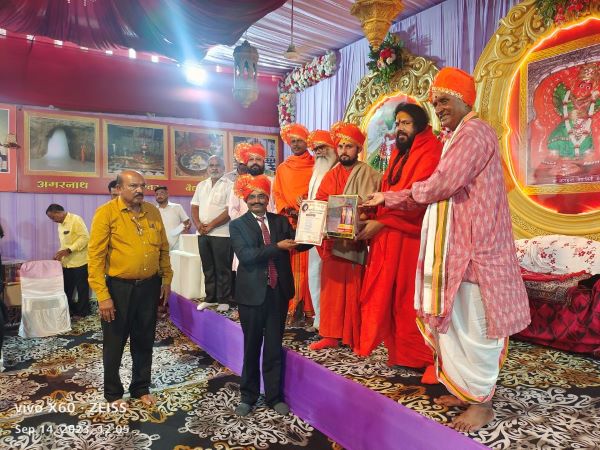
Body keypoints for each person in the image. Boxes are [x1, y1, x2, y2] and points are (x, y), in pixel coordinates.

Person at [363, 67, 530, 432]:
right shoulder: (456, 136)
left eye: (444, 100)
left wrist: (390, 197)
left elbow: (442, 184)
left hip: (476, 251)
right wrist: (389, 197)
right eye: (435, 102)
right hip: (458, 251)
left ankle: (482, 404)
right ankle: (465, 389)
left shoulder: (475, 132)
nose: (438, 108)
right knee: (455, 327)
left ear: (464, 99)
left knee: (476, 329)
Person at [356, 103, 442, 382]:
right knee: (392, 297)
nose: (400, 128)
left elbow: (419, 200)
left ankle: (424, 357)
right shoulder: (398, 152)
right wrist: (370, 212)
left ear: (420, 124)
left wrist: (381, 223)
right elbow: (388, 191)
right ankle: (401, 354)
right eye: (398, 123)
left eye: (406, 123)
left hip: (413, 239)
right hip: (391, 236)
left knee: (410, 299)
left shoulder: (431, 151)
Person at [88, 169, 172, 406]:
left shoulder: (152, 211)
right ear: (118, 188)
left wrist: (166, 279)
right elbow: (95, 258)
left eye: (142, 186)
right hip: (118, 289)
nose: (139, 190)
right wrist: (103, 296)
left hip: (149, 287)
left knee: (144, 339)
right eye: (133, 186)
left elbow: (163, 249)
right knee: (114, 342)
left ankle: (140, 387)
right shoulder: (106, 213)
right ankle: (113, 393)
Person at [229, 174, 310, 417]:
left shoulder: (280, 221)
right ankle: (248, 396)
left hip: (278, 293)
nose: (257, 200)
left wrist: (316, 230)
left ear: (267, 198)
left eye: (261, 196)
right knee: (251, 347)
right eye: (252, 196)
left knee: (274, 347)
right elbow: (247, 256)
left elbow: (298, 243)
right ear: (245, 200)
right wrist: (277, 247)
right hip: (251, 296)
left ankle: (274, 397)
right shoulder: (237, 225)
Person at [309, 122, 381, 351]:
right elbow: (321, 200)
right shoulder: (331, 175)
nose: (344, 151)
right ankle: (330, 334)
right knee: (330, 290)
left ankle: (354, 336)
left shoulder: (369, 174)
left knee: (354, 290)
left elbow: (374, 205)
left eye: (349, 146)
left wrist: (356, 217)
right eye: (340, 146)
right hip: (332, 241)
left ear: (358, 148)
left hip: (354, 241)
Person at [273, 123, 315, 324]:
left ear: (307, 142)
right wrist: (288, 210)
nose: (296, 144)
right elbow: (277, 193)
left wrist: (304, 210)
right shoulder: (283, 168)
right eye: (293, 141)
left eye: (300, 140)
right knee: (289, 266)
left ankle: (307, 308)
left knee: (308, 266)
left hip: (310, 221)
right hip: (287, 221)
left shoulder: (316, 165)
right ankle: (292, 306)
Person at [191, 155, 234, 312]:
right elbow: (194, 207)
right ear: (207, 168)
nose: (214, 168)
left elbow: (229, 211)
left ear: (223, 168)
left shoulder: (230, 186)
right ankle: (210, 298)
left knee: (223, 268)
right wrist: (198, 225)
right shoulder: (201, 185)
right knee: (207, 267)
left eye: (217, 165)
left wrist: (211, 225)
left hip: (222, 234)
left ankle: (224, 299)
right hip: (202, 233)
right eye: (211, 165)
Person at [305, 130, 338, 331]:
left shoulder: (339, 170)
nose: (318, 152)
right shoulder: (316, 170)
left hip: (332, 232)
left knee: (331, 278)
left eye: (322, 147)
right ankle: (319, 318)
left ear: (333, 148)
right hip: (313, 230)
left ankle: (331, 321)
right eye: (316, 149)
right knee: (314, 273)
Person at [228, 144, 276, 272]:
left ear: (264, 162)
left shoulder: (273, 181)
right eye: (251, 159)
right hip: (245, 232)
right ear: (246, 163)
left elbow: (276, 206)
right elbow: (233, 209)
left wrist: (269, 224)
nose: (255, 162)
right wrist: (246, 225)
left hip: (268, 230)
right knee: (247, 271)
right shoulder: (239, 183)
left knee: (270, 268)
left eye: (258, 159)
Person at [46, 204, 91, 317]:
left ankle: (83, 312)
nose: (53, 221)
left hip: (80, 261)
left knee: (82, 289)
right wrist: (58, 254)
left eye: (53, 217)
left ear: (58, 212)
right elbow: (64, 244)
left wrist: (69, 250)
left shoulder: (76, 220)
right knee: (67, 288)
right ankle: (68, 311)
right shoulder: (60, 225)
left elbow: (85, 238)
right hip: (66, 263)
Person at [154, 186, 191, 250]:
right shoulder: (154, 210)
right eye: (157, 194)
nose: (159, 196)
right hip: (160, 246)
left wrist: (179, 230)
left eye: (161, 193)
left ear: (167, 194)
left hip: (177, 246)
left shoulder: (177, 207)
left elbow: (187, 222)